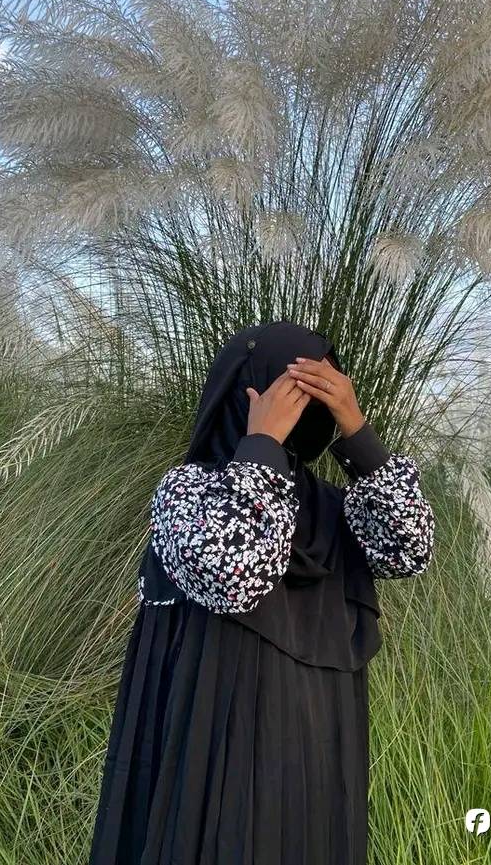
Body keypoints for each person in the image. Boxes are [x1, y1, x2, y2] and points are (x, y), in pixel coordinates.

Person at [88, 320, 435, 865]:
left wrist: (357, 430)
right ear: (245, 395)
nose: (305, 407)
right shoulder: (189, 489)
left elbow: (410, 550)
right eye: (291, 392)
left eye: (319, 393)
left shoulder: (334, 509)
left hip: (314, 748)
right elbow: (235, 576)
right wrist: (262, 445)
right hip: (214, 744)